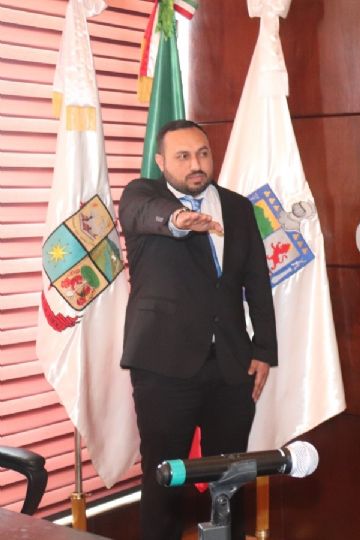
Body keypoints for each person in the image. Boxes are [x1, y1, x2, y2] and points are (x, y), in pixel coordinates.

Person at [119, 119, 277, 540]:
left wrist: (264, 349)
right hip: (163, 367)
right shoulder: (142, 196)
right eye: (183, 156)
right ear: (161, 161)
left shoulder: (239, 207)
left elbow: (257, 282)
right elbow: (145, 215)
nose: (196, 164)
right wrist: (178, 220)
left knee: (232, 477)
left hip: (231, 366)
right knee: (164, 478)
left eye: (203, 154)